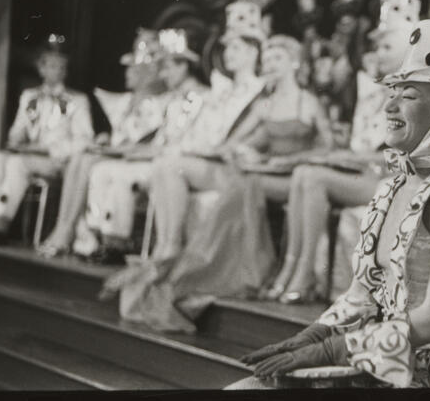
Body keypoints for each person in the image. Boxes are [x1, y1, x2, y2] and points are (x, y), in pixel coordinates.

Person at [234, 19, 430, 389]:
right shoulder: (391, 186)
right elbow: (362, 294)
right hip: (376, 364)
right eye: (393, 93)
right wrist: (314, 335)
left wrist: (336, 350)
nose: (389, 105)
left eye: (408, 96)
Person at [99, 34, 333, 332]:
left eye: (277, 59)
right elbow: (238, 142)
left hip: (292, 178)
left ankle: (286, 270)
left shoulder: (308, 102)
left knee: (246, 185)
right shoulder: (266, 105)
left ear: (295, 62)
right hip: (261, 174)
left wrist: (289, 160)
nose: (270, 65)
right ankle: (170, 248)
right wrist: (242, 151)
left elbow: (328, 147)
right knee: (176, 166)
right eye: (267, 59)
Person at [265, 0, 420, 303]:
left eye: (387, 47)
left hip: (396, 181)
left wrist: (352, 156)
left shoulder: (415, 95)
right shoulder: (373, 90)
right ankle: (291, 267)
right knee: (304, 173)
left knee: (312, 177)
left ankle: (304, 272)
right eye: (377, 47)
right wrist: (345, 155)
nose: (378, 53)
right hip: (366, 174)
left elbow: (408, 157)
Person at [143, 1, 268, 261]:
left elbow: (259, 136)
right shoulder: (221, 90)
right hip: (209, 160)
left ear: (253, 52)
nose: (228, 53)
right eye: (227, 47)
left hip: (236, 168)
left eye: (236, 47)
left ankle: (172, 246)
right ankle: (164, 245)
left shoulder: (261, 91)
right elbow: (203, 132)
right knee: (162, 164)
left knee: (172, 167)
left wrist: (231, 149)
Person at [36, 29, 168, 258]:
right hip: (119, 155)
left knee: (87, 162)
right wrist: (107, 140)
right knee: (80, 158)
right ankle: (64, 226)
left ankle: (68, 231)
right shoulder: (126, 101)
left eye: (132, 68)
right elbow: (120, 136)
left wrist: (117, 146)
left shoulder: (159, 103)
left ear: (146, 73)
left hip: (136, 159)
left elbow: (146, 140)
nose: (127, 73)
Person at [82, 28, 208, 262]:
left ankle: (117, 242)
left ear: (183, 67)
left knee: (123, 176)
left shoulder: (203, 97)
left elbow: (193, 141)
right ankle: (97, 238)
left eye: (167, 68)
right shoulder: (173, 99)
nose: (163, 74)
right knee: (102, 170)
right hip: (158, 158)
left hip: (176, 164)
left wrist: (150, 151)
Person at [0, 35, 94, 245]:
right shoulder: (30, 96)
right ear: (41, 68)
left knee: (16, 164)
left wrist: (51, 149)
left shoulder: (77, 100)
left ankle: (1, 227)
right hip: (30, 155)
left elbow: (85, 139)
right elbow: (18, 129)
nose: (57, 71)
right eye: (52, 66)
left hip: (56, 161)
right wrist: (17, 139)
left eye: (61, 67)